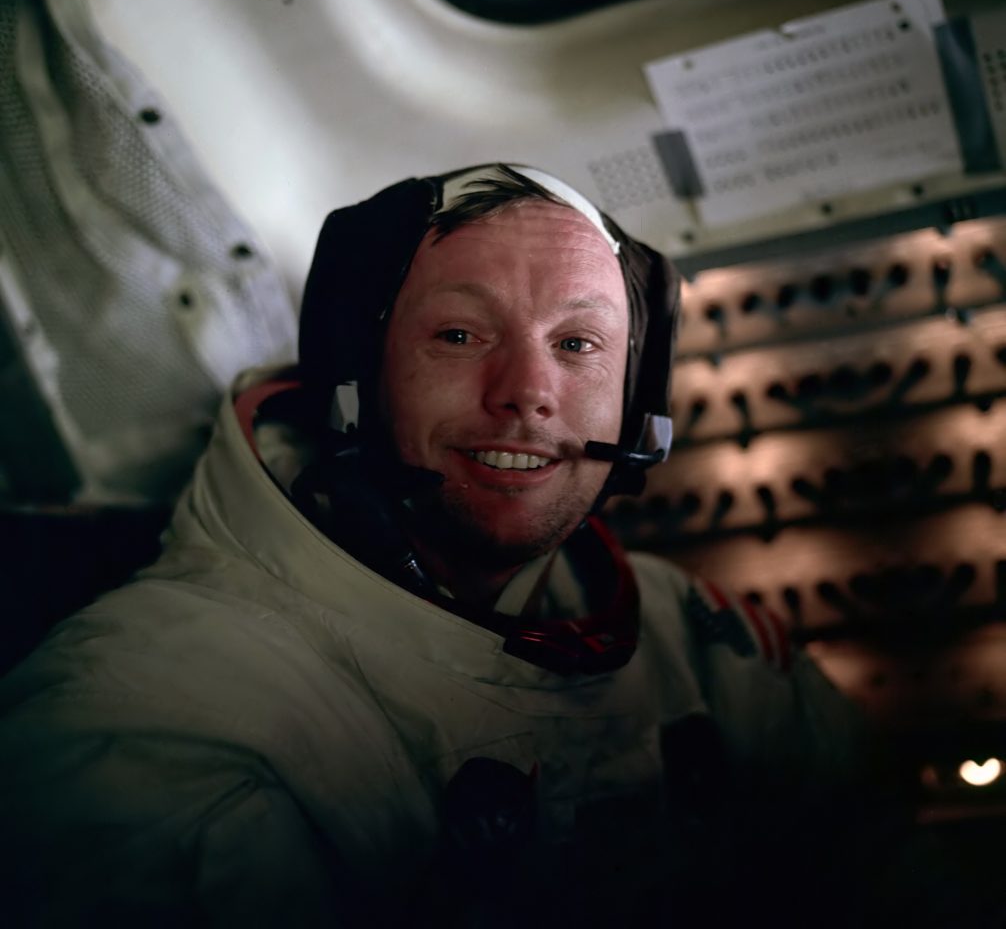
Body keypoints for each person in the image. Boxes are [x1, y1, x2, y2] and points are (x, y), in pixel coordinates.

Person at [0, 164, 865, 927]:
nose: (527, 392)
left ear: (637, 403)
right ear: (355, 374)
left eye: (577, 344)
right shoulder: (153, 724)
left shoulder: (693, 641)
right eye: (460, 335)